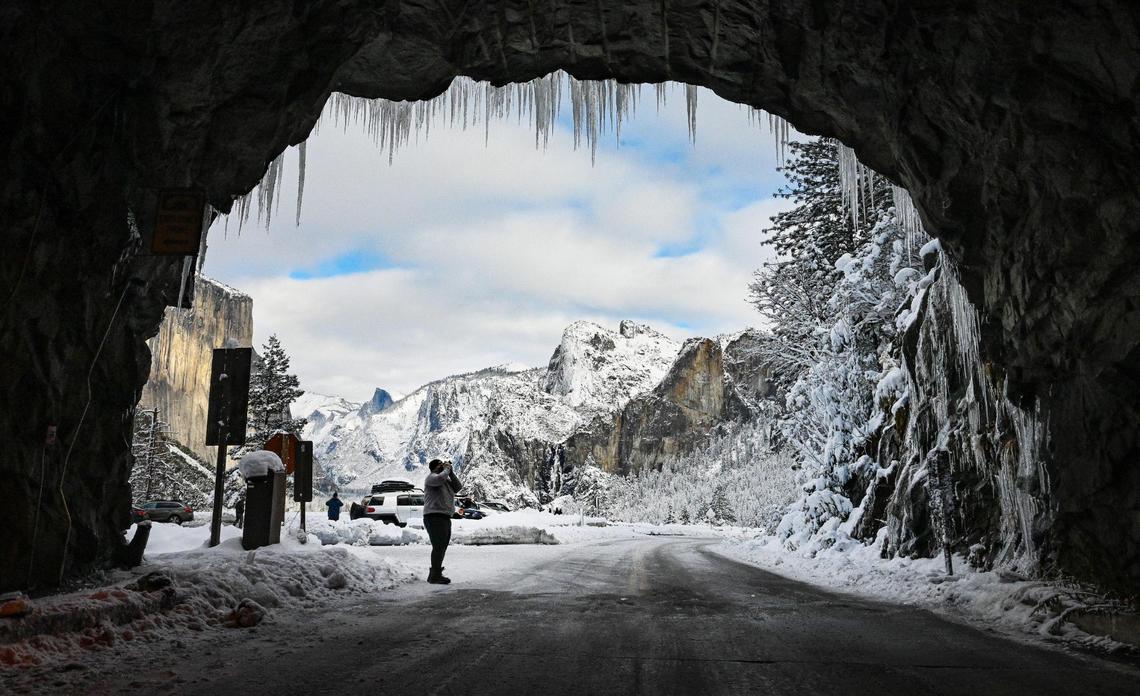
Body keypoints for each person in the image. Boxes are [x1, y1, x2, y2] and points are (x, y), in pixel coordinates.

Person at [423, 459, 462, 584]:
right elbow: (439, 479)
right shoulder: (431, 478)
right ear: (434, 468)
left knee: (442, 546)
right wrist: (446, 470)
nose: (443, 467)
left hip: (444, 516)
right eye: (440, 465)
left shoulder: (446, 479)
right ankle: (434, 574)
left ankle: (436, 573)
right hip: (434, 516)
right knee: (438, 546)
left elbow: (458, 487)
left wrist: (451, 472)